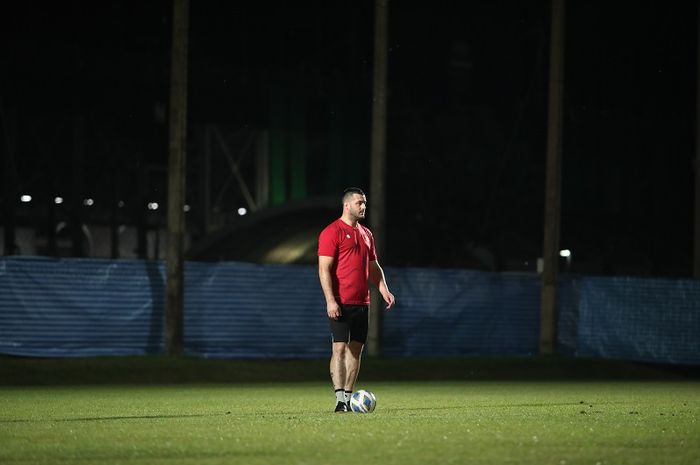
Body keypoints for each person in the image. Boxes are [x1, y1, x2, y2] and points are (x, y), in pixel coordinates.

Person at [317, 187, 395, 413]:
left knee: (356, 350)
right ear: (347, 205)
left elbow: (373, 267)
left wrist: (384, 289)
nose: (363, 207)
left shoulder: (367, 234)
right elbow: (324, 269)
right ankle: (339, 399)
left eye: (365, 203)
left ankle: (349, 398)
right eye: (359, 203)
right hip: (341, 300)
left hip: (363, 302)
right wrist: (330, 300)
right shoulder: (332, 232)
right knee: (339, 348)